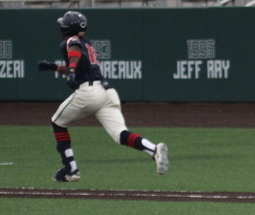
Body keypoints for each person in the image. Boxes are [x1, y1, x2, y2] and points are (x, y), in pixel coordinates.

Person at [38, 11, 168, 183]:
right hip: (107, 92)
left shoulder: (73, 40)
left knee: (57, 122)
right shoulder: (86, 42)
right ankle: (153, 150)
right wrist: (54, 67)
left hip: (89, 92)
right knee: (120, 134)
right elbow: (75, 61)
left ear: (67, 27)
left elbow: (74, 50)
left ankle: (71, 168)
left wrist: (69, 72)